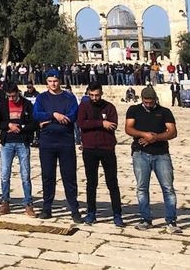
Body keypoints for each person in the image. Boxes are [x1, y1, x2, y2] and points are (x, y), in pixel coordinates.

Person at [126, 86, 180, 233]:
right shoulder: (134, 110)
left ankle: (171, 221)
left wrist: (155, 138)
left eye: (151, 102)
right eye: (146, 102)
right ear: (142, 99)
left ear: (155, 99)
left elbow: (172, 132)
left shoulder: (164, 112)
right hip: (140, 153)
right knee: (142, 187)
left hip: (161, 154)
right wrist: (145, 135)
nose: (148, 104)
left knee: (168, 188)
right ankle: (145, 219)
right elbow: (129, 128)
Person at [33, 69, 82, 221]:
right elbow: (36, 114)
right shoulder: (41, 98)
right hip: (47, 142)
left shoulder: (69, 97)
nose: (53, 84)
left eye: (55, 81)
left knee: (69, 176)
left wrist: (49, 120)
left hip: (65, 141)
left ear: (59, 81)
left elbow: (72, 116)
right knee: (48, 176)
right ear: (46, 82)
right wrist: (54, 114)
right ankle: (47, 208)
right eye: (50, 81)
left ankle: (74, 209)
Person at [76, 82, 124, 227]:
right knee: (91, 182)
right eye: (91, 95)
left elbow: (113, 124)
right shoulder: (84, 106)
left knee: (112, 182)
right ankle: (91, 213)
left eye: (97, 95)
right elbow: (81, 124)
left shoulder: (109, 107)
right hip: (90, 148)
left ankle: (117, 214)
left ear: (101, 93)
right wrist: (101, 123)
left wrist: (95, 123)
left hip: (107, 148)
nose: (94, 98)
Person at [0, 83, 36, 216]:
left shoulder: (27, 104)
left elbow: (34, 122)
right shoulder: (3, 104)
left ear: (18, 93)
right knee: (4, 173)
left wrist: (21, 128)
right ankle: (5, 201)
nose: (11, 99)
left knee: (25, 174)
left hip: (22, 142)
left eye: (13, 96)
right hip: (7, 142)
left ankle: (28, 203)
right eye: (8, 96)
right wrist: (8, 125)